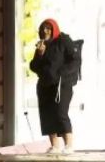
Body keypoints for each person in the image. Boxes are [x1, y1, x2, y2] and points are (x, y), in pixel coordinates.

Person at [29, 18, 80, 154]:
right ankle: (55, 146)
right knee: (47, 114)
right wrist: (39, 54)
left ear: (54, 29)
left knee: (60, 112)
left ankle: (69, 145)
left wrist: (62, 73)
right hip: (45, 85)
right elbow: (34, 66)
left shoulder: (63, 40)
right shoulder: (42, 45)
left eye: (48, 28)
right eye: (43, 28)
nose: (45, 31)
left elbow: (75, 59)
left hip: (62, 84)